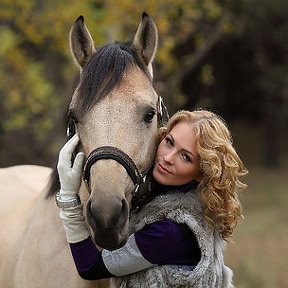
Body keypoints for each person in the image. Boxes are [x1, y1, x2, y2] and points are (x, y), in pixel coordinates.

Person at [56, 109, 248, 287]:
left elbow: (91, 267)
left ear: (201, 173)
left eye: (185, 157)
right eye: (169, 142)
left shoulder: (170, 231)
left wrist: (68, 198)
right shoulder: (197, 204)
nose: (167, 157)